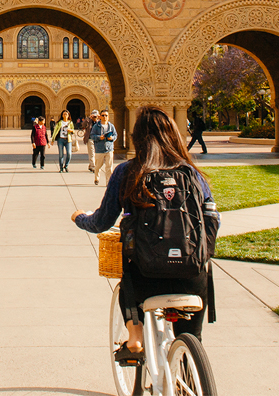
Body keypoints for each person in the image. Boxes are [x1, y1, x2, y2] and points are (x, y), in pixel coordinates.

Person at [71, 105, 217, 359]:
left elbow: (102, 222)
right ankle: (189, 369)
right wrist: (203, 253)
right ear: (174, 135)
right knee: (193, 342)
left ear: (136, 137)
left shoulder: (127, 171)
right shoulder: (191, 173)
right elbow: (212, 217)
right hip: (192, 275)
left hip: (145, 275)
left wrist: (80, 218)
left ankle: (135, 337)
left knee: (127, 273)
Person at [88, 109, 117, 186]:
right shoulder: (96, 126)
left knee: (109, 167)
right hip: (99, 149)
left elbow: (115, 135)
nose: (104, 117)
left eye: (106, 115)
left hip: (109, 149)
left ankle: (108, 182)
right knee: (98, 166)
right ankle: (96, 178)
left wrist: (112, 138)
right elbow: (92, 136)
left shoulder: (111, 126)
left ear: (108, 117)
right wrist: (98, 137)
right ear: (100, 117)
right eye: (103, 115)